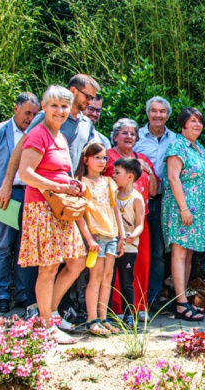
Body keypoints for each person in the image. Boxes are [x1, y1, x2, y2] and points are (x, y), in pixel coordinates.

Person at [16, 85, 87, 345]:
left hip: (60, 208)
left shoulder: (59, 137)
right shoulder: (38, 134)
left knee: (77, 261)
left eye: (64, 106)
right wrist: (59, 186)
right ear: (44, 107)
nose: (60, 111)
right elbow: (26, 174)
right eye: (55, 105)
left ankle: (47, 311)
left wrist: (72, 183)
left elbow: (57, 171)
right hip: (41, 207)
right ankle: (46, 326)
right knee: (48, 268)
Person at [0, 92, 40, 314]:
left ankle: (22, 294)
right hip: (5, 194)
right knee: (3, 245)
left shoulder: (37, 133)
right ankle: (2, 294)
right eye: (27, 113)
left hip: (30, 194)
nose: (30, 118)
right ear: (16, 108)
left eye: (34, 114)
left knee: (26, 246)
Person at [103, 118, 158, 319]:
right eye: (124, 133)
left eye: (132, 133)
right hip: (113, 219)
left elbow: (153, 191)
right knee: (116, 263)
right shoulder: (107, 157)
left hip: (139, 221)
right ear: (115, 136)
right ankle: (116, 308)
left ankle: (138, 307)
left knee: (141, 264)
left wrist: (148, 170)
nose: (129, 136)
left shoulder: (142, 158)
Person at [162, 107, 205, 321]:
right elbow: (173, 178)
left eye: (199, 121)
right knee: (179, 254)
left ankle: (183, 299)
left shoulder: (199, 148)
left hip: (197, 210)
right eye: (192, 121)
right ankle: (181, 304)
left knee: (188, 255)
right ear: (183, 124)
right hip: (181, 208)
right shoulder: (177, 145)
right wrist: (183, 208)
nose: (197, 125)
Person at [75, 142, 125, 336]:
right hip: (95, 236)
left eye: (104, 158)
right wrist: (89, 239)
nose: (102, 162)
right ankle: (91, 319)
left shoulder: (109, 182)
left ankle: (103, 318)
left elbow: (115, 209)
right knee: (95, 278)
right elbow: (78, 214)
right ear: (86, 159)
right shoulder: (80, 182)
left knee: (107, 277)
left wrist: (121, 235)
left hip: (111, 235)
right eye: (97, 157)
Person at [133, 96, 177, 308]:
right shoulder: (136, 136)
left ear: (167, 115)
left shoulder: (175, 139)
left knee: (158, 252)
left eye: (162, 111)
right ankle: (131, 296)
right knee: (134, 249)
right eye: (154, 111)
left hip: (163, 201)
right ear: (147, 113)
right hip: (136, 201)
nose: (158, 115)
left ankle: (152, 298)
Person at [112, 158, 146, 328]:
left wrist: (133, 235)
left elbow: (140, 223)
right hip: (111, 244)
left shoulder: (137, 198)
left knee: (126, 281)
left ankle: (128, 315)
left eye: (117, 172)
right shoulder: (112, 194)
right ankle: (105, 313)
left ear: (130, 176)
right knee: (108, 279)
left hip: (129, 246)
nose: (113, 175)